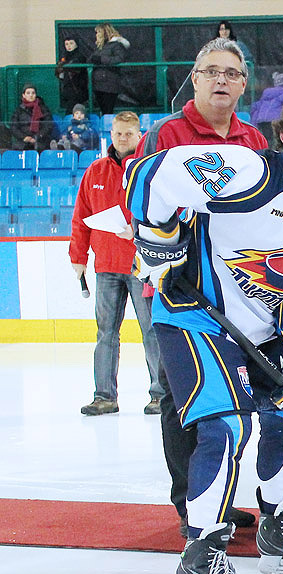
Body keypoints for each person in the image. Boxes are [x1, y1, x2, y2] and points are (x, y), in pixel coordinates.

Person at [125, 88, 283, 574]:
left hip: (261, 329)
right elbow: (148, 178)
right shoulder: (241, 170)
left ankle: (279, 529)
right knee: (227, 426)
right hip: (193, 315)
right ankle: (199, 560)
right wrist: (159, 241)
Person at [136, 38, 269, 538]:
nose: (220, 80)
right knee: (181, 399)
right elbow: (144, 209)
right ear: (194, 78)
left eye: (230, 73)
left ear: (242, 83)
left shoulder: (254, 141)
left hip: (235, 294)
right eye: (210, 71)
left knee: (228, 402)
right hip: (175, 293)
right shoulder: (165, 135)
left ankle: (215, 498)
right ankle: (190, 504)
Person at [69, 111, 162, 418]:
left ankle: (160, 394)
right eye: (118, 133)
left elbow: (164, 211)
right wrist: (78, 258)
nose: (123, 138)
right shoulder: (94, 171)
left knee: (152, 331)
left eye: (129, 134)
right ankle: (104, 396)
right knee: (105, 333)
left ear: (140, 135)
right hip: (106, 265)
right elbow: (80, 218)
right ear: (111, 134)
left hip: (140, 264)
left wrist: (139, 231)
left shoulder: (149, 168)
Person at [89, 23, 130, 114]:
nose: (96, 35)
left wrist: (101, 59)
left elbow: (119, 59)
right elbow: (92, 58)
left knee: (107, 109)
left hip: (109, 83)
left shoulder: (116, 45)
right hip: (98, 83)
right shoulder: (100, 47)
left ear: (105, 32)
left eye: (98, 32)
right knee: (103, 109)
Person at [9, 84, 55, 152]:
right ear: (23, 95)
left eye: (33, 93)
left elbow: (48, 125)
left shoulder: (43, 109)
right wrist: (24, 137)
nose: (31, 95)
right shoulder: (18, 110)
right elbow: (14, 127)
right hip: (22, 143)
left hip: (40, 141)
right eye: (28, 93)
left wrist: (37, 137)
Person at [250, 72, 283, 145]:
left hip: (262, 120)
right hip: (276, 120)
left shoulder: (266, 95)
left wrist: (254, 123)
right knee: (277, 139)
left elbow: (255, 107)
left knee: (267, 139)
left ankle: (266, 153)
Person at [55, 37, 88, 111]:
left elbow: (75, 69)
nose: (69, 46)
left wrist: (64, 66)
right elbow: (58, 73)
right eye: (66, 44)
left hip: (78, 90)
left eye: (71, 43)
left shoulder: (80, 57)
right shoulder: (64, 57)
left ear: (76, 44)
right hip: (67, 90)